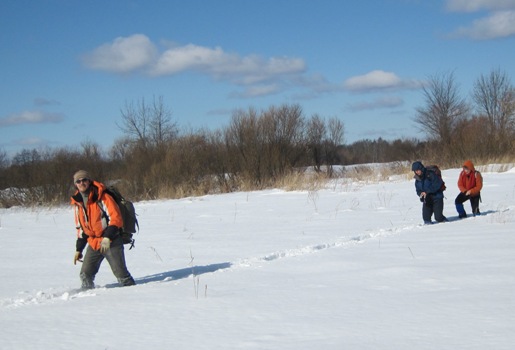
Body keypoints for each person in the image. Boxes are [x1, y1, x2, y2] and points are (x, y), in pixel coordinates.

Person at [71, 170, 135, 289]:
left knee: (121, 275)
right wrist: (79, 249)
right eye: (78, 181)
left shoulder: (102, 196)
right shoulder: (77, 202)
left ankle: (132, 295)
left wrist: (107, 237)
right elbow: (81, 228)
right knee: (85, 274)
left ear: (89, 181)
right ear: (75, 184)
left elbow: (116, 218)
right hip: (94, 243)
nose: (81, 183)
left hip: (112, 241)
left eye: (84, 180)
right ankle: (87, 295)